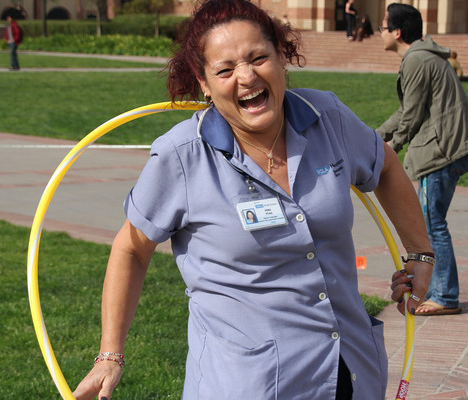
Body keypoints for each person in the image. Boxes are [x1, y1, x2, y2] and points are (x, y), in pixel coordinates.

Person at [73, 1, 433, 399]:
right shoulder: (181, 156)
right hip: (247, 383)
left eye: (259, 58)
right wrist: (110, 354)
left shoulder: (327, 117)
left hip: (347, 370)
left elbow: (384, 164)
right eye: (224, 70)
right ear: (204, 83)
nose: (246, 77)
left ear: (282, 58)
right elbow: (131, 249)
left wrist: (420, 253)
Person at [377, 3, 468, 316]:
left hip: (440, 151)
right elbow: (407, 110)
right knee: (433, 222)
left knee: (431, 226)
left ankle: (445, 295)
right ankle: (444, 293)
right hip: (446, 147)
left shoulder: (416, 59)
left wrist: (394, 146)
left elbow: (412, 115)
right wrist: (377, 137)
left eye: (384, 25)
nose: (380, 31)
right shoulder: (422, 56)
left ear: (397, 32)